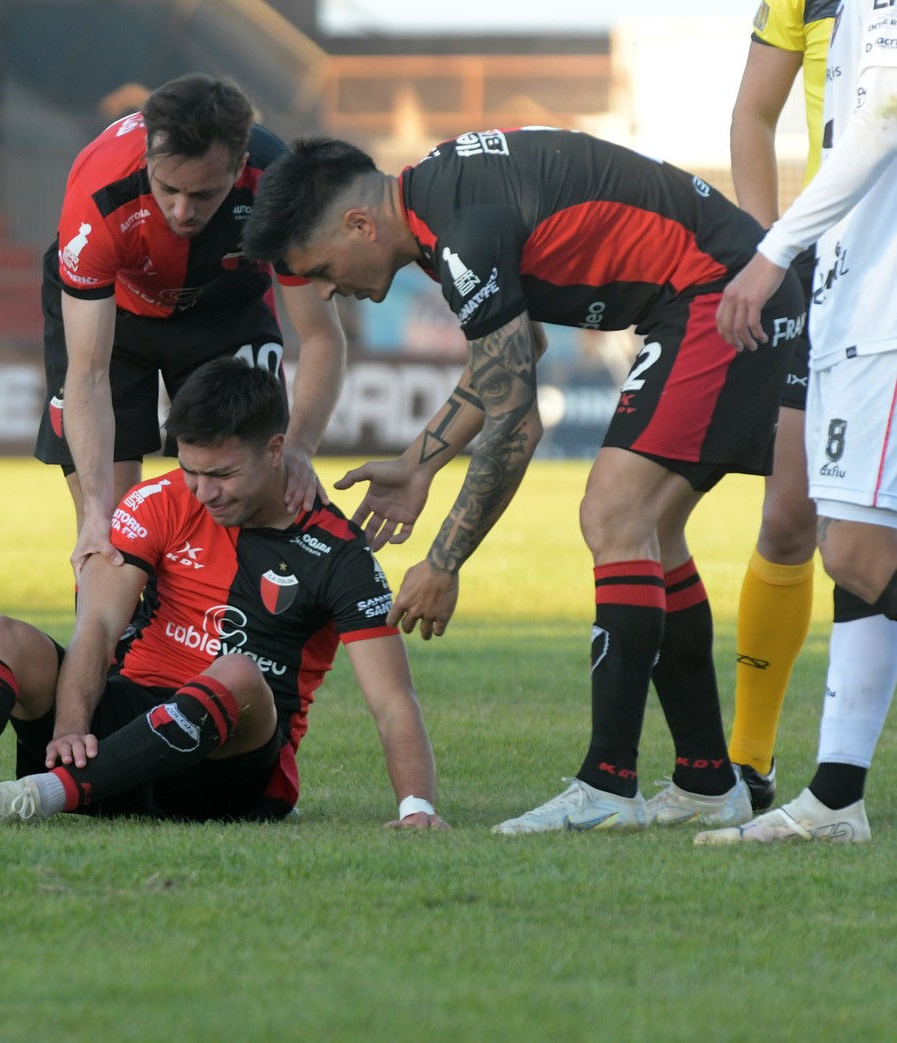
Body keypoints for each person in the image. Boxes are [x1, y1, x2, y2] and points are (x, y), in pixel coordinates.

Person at [244, 130, 805, 834]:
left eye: (321, 268)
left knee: (612, 513)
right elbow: (518, 352)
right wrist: (419, 462)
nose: (326, 289)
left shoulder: (459, 230)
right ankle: (703, 780)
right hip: (705, 291)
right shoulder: (434, 207)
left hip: (719, 294)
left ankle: (608, 783)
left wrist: (443, 561)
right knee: (648, 531)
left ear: (359, 224)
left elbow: (516, 422)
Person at [0, 356, 445, 828]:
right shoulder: (161, 501)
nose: (204, 492)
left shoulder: (341, 554)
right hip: (118, 739)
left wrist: (417, 809)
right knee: (1, 633)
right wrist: (72, 727)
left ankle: (35, 798)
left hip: (225, 770)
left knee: (241, 673)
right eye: (193, 470)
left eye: (222, 475)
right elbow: (97, 625)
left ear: (276, 451)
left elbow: (394, 701)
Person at [701, 0, 897, 844]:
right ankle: (834, 797)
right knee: (851, 544)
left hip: (883, 290)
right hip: (848, 282)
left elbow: (884, 108)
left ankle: (829, 794)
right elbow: (761, 111)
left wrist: (774, 248)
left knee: (851, 547)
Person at [33, 72, 347, 576]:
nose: (183, 210)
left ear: (240, 166)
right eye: (168, 188)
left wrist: (301, 449)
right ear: (148, 158)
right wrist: (95, 512)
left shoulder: (280, 185)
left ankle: (237, 648)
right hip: (116, 318)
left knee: (254, 491)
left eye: (204, 194)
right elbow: (89, 373)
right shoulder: (100, 191)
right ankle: (115, 654)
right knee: (111, 536)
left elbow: (321, 336)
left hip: (225, 309)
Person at [722, 0, 840, 813]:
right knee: (787, 515)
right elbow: (753, 113)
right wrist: (772, 247)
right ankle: (746, 759)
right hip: (836, 270)